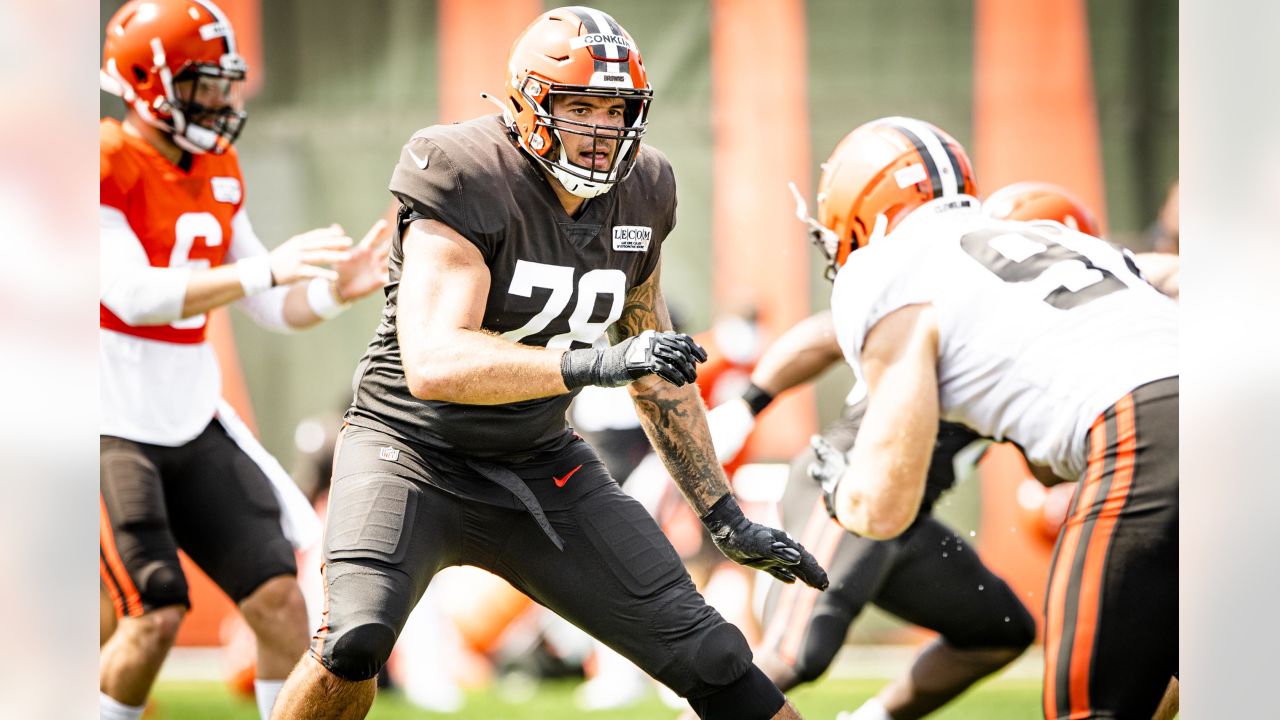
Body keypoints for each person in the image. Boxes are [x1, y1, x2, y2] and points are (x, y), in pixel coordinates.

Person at [269, 7, 828, 720]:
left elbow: (656, 369)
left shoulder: (644, 190)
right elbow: (435, 360)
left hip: (537, 461)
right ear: (529, 104)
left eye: (616, 109)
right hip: (408, 452)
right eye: (580, 106)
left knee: (715, 657)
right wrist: (594, 363)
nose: (602, 129)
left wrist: (720, 515)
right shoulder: (463, 170)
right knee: (355, 638)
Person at [802, 117, 1177, 719]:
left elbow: (882, 507)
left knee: (1090, 707)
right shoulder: (1064, 243)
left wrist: (842, 488)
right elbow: (1181, 276)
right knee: (1177, 683)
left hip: (1146, 429)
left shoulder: (884, 269)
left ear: (864, 214)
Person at [98, 2, 391, 719]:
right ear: (146, 82)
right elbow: (135, 296)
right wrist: (268, 273)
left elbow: (271, 304)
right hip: (105, 421)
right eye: (201, 84)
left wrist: (332, 293)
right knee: (153, 615)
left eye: (223, 83)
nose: (220, 101)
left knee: (280, 603)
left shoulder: (217, 167)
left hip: (190, 418)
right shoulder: (104, 158)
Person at [705, 308, 1035, 720]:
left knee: (998, 631)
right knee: (794, 655)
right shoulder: (964, 294)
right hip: (848, 486)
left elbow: (1049, 470)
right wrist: (746, 406)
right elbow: (825, 333)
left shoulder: (1043, 336)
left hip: (903, 513)